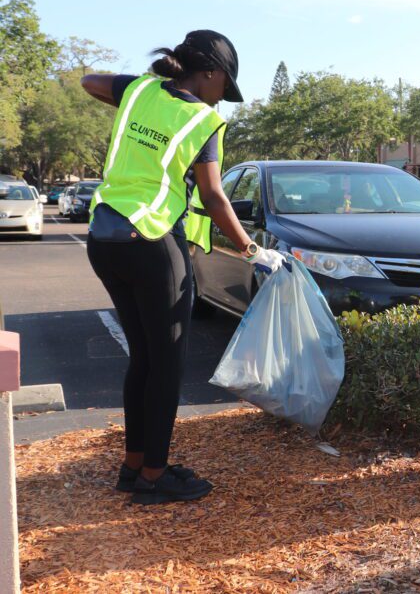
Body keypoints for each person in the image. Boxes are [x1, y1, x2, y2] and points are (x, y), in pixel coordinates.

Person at [81, 30, 287, 505]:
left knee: (144, 358)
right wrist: (252, 249)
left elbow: (90, 81)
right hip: (151, 240)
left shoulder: (137, 91)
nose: (224, 99)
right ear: (210, 73)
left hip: (104, 236)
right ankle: (155, 475)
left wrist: (142, 89)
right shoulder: (202, 119)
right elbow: (214, 196)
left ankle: (133, 467)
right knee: (168, 364)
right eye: (225, 86)